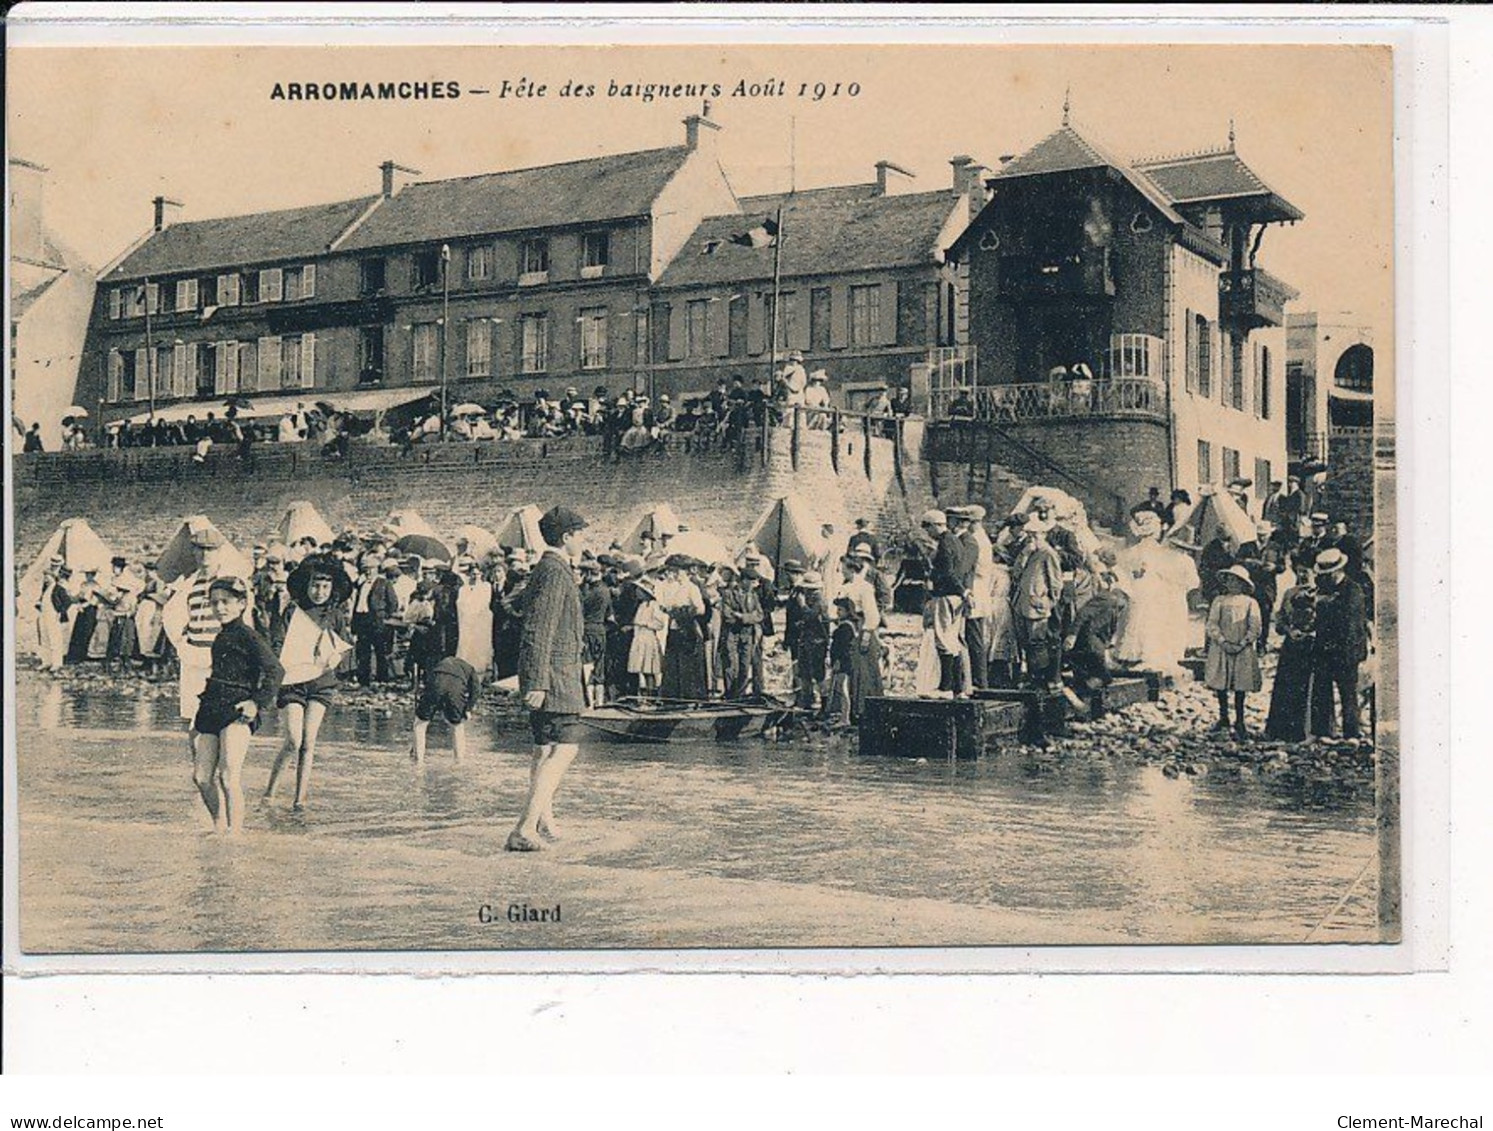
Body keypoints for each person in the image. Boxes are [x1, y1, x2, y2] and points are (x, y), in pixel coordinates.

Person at [508, 505, 589, 853]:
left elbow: (513, 604)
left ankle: (544, 819)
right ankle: (525, 827)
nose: (585, 540)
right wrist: (538, 682)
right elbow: (538, 627)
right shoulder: (556, 572)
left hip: (550, 673)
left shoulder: (547, 568)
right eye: (581, 534)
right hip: (556, 677)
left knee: (544, 750)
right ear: (567, 536)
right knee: (566, 749)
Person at [191, 577, 283, 834]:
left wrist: (257, 702)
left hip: (237, 710)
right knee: (201, 777)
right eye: (215, 603)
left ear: (242, 604)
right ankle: (220, 827)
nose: (220, 608)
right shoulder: (221, 635)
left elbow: (276, 670)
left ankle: (236, 836)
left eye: (226, 602)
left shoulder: (248, 636)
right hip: (211, 707)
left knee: (228, 777)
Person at [265, 554, 351, 811]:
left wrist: (337, 656)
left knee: (309, 741)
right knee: (293, 739)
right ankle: (270, 793)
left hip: (321, 681)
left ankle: (299, 799)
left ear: (332, 588)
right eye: (315, 585)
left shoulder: (335, 615)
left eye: (325, 586)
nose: (319, 591)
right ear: (306, 585)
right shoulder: (292, 610)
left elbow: (344, 647)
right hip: (293, 681)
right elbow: (277, 642)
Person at [1112, 509, 1198, 676]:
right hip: (1157, 593)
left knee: (1135, 619)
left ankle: (1130, 655)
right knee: (1154, 623)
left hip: (1136, 591)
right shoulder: (1162, 553)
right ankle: (1151, 655)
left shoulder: (1129, 552)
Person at [1310, 548, 1369, 741]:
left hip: (1346, 651)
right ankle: (1323, 731)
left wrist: (1325, 604)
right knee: (1321, 690)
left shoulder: (1353, 590)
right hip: (1324, 649)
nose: (1324, 578)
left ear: (1337, 571)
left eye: (1327, 575)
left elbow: (1350, 627)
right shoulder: (1324, 588)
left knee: (1347, 693)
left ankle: (1351, 732)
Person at [1204, 565, 1263, 740]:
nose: (1232, 583)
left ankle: (1240, 720)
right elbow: (1212, 623)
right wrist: (1222, 640)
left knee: (1240, 683)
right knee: (1221, 680)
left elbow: (1255, 626)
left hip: (1242, 647)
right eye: (1229, 579)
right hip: (1222, 646)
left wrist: (1243, 642)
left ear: (1243, 584)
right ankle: (1223, 717)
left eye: (1236, 580)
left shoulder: (1250, 602)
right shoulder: (1219, 601)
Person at [1265, 552, 1319, 742]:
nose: (1303, 575)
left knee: (1308, 688)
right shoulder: (1290, 593)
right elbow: (1279, 620)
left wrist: (1312, 633)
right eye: (1300, 571)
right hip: (1291, 646)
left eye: (1307, 571)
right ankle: (1281, 730)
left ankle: (1306, 732)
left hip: (1312, 646)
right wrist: (1289, 631)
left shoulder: (1321, 594)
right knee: (1287, 687)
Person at [1011, 513, 1064, 690]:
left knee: (1038, 644)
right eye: (1030, 535)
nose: (1032, 538)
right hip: (1021, 604)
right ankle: (1034, 678)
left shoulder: (1048, 554)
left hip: (1037, 605)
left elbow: (1056, 582)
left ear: (1044, 535)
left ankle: (1040, 680)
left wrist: (1049, 602)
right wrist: (1023, 556)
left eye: (1035, 535)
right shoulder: (1028, 552)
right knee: (1026, 642)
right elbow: (1016, 574)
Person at [411, 654, 482, 764]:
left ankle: (418, 761)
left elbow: (428, 682)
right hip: (455, 689)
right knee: (457, 726)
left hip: (436, 683)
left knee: (420, 723)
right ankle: (459, 761)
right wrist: (468, 709)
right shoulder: (470, 668)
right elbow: (476, 690)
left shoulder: (440, 663)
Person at [718, 564, 766, 700]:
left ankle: (740, 694)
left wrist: (742, 617)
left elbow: (760, 615)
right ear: (743, 580)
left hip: (747, 635)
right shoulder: (728, 594)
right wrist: (749, 617)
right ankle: (731, 695)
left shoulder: (753, 596)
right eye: (751, 582)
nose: (754, 585)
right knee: (731, 665)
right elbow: (728, 616)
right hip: (732, 634)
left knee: (745, 666)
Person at [351, 553, 399, 686]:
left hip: (377, 620)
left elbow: (393, 603)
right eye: (366, 569)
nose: (368, 572)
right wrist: (355, 623)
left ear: (377, 569)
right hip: (362, 619)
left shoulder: (384, 583)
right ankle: (364, 679)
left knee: (380, 651)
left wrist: (384, 616)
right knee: (363, 651)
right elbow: (357, 603)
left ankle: (382, 678)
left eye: (371, 569)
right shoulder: (361, 584)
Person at [789, 570, 830, 715]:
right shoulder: (811, 598)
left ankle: (824, 705)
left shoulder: (820, 600)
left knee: (818, 673)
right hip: (807, 640)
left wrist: (802, 606)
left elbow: (812, 616)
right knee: (804, 671)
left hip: (817, 642)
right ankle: (807, 700)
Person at [453, 555, 494, 678]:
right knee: (466, 645)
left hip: (481, 621)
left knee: (480, 645)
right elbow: (460, 603)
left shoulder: (486, 587)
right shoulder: (464, 588)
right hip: (466, 621)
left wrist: (472, 607)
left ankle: (480, 672)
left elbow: (484, 602)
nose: (475, 576)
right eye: (473, 574)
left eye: (478, 574)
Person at [579, 554, 612, 706]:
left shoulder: (586, 592)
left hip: (587, 631)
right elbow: (610, 616)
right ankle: (599, 702)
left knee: (587, 666)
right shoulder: (605, 591)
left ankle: (589, 703)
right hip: (600, 631)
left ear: (589, 574)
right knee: (599, 667)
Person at [101, 556, 142, 676]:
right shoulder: (118, 586)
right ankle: (113, 664)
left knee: (125, 641)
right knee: (116, 641)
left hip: (125, 619)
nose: (113, 569)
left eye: (115, 567)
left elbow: (131, 609)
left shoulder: (128, 584)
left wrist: (120, 612)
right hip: (119, 616)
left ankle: (125, 664)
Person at [36, 557, 72, 672]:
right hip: (44, 614)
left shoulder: (58, 589)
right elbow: (43, 600)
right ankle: (46, 661)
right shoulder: (45, 589)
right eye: (45, 576)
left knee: (54, 638)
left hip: (53, 615)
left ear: (53, 578)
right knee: (45, 638)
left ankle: (57, 663)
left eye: (48, 576)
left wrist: (60, 612)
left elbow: (67, 602)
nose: (46, 579)